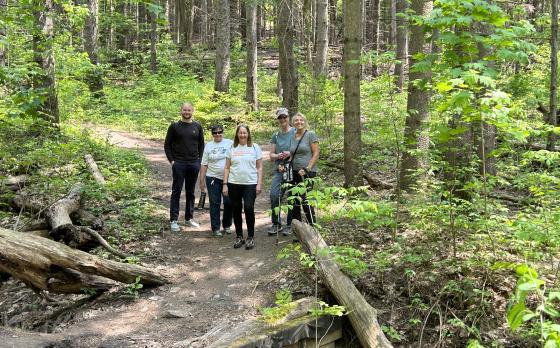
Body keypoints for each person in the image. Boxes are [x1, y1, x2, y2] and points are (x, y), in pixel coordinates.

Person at [164, 102, 204, 232]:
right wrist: (172, 161)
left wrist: (199, 161)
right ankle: (174, 220)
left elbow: (201, 145)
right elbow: (167, 145)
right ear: (181, 111)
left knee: (191, 192)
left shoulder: (197, 126)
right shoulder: (174, 126)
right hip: (179, 163)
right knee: (176, 191)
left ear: (193, 111)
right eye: (184, 110)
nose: (187, 112)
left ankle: (188, 218)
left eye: (189, 110)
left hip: (193, 163)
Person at [222, 124, 263, 250]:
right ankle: (239, 236)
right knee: (236, 209)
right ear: (237, 134)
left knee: (249, 208)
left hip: (250, 183)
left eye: (245, 133)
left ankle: (250, 237)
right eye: (240, 133)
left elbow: (259, 167)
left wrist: (259, 183)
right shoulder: (232, 147)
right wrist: (225, 184)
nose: (242, 135)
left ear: (248, 134)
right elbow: (227, 167)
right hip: (234, 183)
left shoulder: (255, 147)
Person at [199, 125, 233, 237]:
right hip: (212, 178)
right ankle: (216, 228)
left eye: (220, 132)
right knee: (215, 203)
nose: (217, 134)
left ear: (223, 132)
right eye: (215, 133)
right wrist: (201, 181)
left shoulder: (230, 143)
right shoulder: (208, 146)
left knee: (228, 202)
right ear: (212, 134)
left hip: (228, 178)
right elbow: (204, 164)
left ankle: (227, 225)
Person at [288, 112, 320, 226]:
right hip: (294, 172)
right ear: (293, 123)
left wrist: (307, 168)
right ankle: (299, 229)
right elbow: (292, 155)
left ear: (305, 122)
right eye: (296, 120)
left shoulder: (310, 134)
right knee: (295, 200)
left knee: (306, 200)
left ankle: (312, 228)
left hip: (307, 172)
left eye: (301, 120)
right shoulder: (292, 137)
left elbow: (316, 153)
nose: (299, 122)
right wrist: (285, 165)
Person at [268, 107, 295, 236]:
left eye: (284, 117)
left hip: (293, 169)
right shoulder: (276, 135)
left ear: (288, 117)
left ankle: (290, 224)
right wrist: (279, 156)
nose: (283, 119)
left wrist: (290, 153)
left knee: (292, 197)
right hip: (280, 169)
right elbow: (271, 156)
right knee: (274, 195)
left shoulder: (296, 132)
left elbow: (302, 149)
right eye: (280, 117)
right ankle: (276, 223)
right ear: (278, 119)